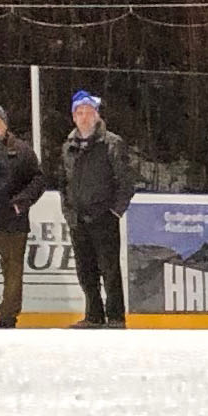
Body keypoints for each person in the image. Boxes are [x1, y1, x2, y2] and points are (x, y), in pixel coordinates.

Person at [58, 89, 137, 327]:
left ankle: (115, 316)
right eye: (79, 112)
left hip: (103, 218)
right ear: (73, 116)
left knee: (109, 269)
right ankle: (93, 314)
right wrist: (69, 212)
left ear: (97, 114)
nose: (84, 117)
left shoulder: (111, 143)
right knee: (85, 270)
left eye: (88, 112)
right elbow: (64, 183)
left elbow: (126, 182)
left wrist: (113, 212)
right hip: (78, 219)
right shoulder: (68, 146)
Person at [0, 102, 46, 328]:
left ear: (6, 124)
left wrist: (21, 203)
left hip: (12, 222)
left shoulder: (22, 151)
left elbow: (38, 179)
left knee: (13, 272)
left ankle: (7, 316)